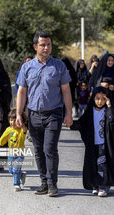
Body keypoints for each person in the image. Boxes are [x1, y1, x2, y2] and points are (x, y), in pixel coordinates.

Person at [16, 31, 73, 197]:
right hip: (34, 115)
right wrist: (19, 113)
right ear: (35, 46)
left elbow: (66, 91)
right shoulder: (26, 67)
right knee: (38, 150)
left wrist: (69, 113)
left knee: (50, 148)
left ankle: (52, 183)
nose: (46, 48)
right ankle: (43, 183)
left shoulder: (59, 66)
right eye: (42, 44)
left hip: (53, 114)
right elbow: (21, 92)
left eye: (48, 44)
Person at [78, 87, 114, 197]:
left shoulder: (107, 111)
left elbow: (112, 120)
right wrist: (69, 123)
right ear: (93, 98)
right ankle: (95, 185)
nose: (100, 101)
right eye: (97, 98)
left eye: (103, 99)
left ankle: (104, 186)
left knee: (102, 165)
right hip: (93, 144)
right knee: (93, 165)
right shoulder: (90, 111)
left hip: (104, 144)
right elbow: (81, 123)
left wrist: (109, 105)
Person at [0, 109, 28, 191]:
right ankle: (21, 175)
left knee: (16, 170)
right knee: (11, 170)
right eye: (11, 120)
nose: (12, 123)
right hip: (11, 153)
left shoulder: (21, 130)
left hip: (19, 153)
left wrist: (22, 125)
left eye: (15, 121)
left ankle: (16, 185)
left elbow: (25, 130)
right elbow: (2, 139)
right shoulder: (8, 130)